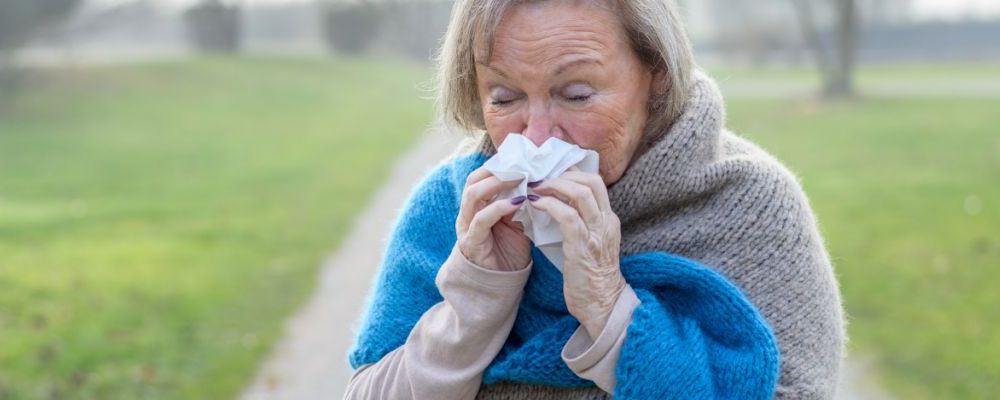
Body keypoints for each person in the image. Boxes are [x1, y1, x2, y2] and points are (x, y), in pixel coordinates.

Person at [344, 0, 846, 398]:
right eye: (504, 98)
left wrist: (611, 310)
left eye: (577, 94)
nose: (538, 138)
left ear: (657, 75)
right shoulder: (450, 207)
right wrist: (474, 303)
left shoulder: (751, 205)